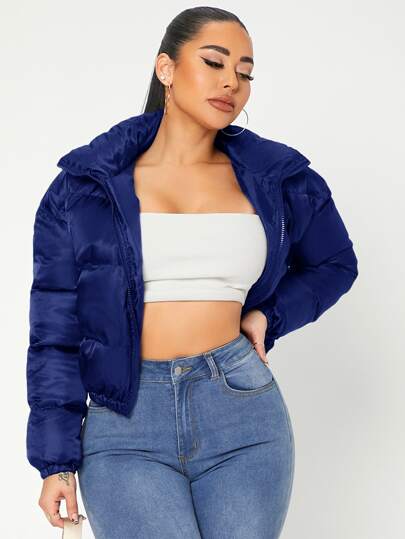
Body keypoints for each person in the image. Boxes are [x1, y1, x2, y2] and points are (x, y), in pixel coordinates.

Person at [26, 6, 358, 538]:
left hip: (242, 411)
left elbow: (335, 263)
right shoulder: (84, 187)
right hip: (125, 421)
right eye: (214, 62)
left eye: (245, 73)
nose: (232, 82)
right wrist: (55, 461)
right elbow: (54, 331)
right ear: (166, 68)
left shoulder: (279, 178)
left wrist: (268, 316)